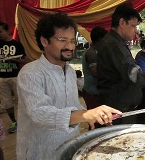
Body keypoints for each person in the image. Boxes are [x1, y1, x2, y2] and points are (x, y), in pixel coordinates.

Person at [16, 12, 122, 160]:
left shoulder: (70, 71)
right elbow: (39, 114)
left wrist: (91, 115)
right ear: (45, 41)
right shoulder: (31, 73)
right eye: (62, 40)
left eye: (72, 41)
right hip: (40, 150)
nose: (70, 46)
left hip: (70, 144)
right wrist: (85, 115)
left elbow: (72, 105)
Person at [0, 22, 26, 133]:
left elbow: (25, 59)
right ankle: (14, 122)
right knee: (6, 102)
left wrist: (14, 60)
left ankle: (25, 121)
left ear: (7, 31)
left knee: (22, 100)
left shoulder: (17, 44)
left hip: (14, 76)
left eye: (0, 31)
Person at [82, 26, 108, 129]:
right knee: (95, 122)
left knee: (101, 120)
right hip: (92, 93)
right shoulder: (91, 53)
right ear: (100, 40)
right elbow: (96, 72)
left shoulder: (97, 51)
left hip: (97, 93)